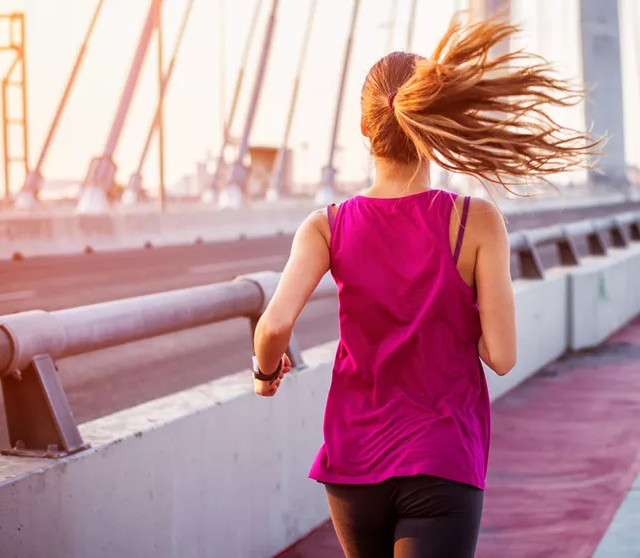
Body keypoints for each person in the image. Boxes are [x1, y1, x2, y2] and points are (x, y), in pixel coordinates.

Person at [251, 14, 600, 558]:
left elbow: (272, 325)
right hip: (442, 459)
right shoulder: (477, 221)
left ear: (366, 131)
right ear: (437, 125)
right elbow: (502, 356)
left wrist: (266, 374)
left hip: (353, 463)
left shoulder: (326, 225)